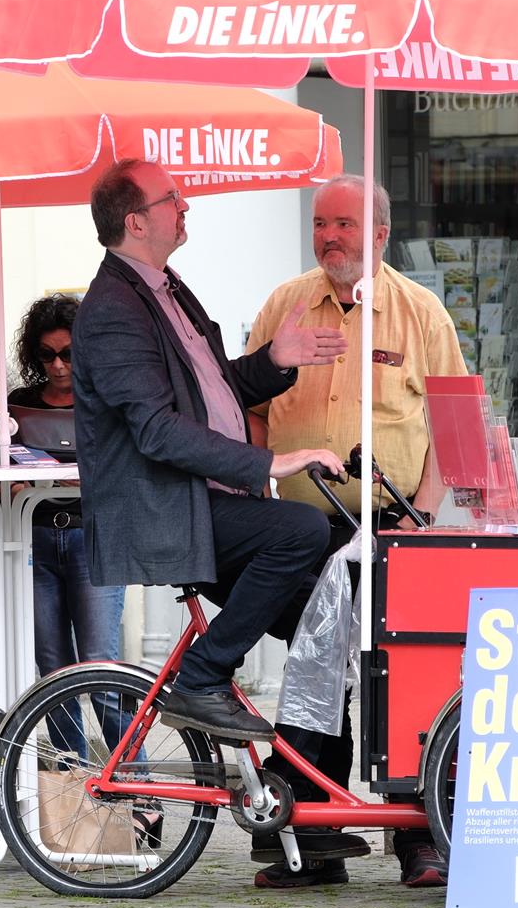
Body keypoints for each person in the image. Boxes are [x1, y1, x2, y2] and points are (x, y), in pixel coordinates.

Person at [70, 161, 347, 820]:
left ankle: (310, 812)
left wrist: (273, 362)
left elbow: (211, 392)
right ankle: (201, 675)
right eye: (172, 199)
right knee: (302, 530)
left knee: (329, 623)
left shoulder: (166, 288)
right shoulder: (112, 310)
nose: (185, 205)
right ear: (136, 222)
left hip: (208, 502)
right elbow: (157, 429)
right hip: (169, 511)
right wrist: (271, 463)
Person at [245, 174, 466, 890]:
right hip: (299, 528)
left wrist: (422, 517)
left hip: (392, 524)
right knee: (319, 668)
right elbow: (248, 406)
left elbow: (455, 425)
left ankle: (421, 839)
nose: (329, 237)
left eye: (343, 224)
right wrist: (256, 485)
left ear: (379, 233)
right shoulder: (284, 305)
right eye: (320, 224)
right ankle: (314, 839)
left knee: (404, 675)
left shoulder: (420, 312)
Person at [8, 294, 126, 678]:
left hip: (93, 538)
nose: (58, 365)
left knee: (99, 664)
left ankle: (124, 725)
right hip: (35, 539)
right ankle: (63, 727)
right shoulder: (20, 403)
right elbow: (1, 472)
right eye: (47, 355)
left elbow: (130, 468)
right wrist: (19, 487)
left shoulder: (107, 400)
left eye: (68, 354)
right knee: (52, 667)